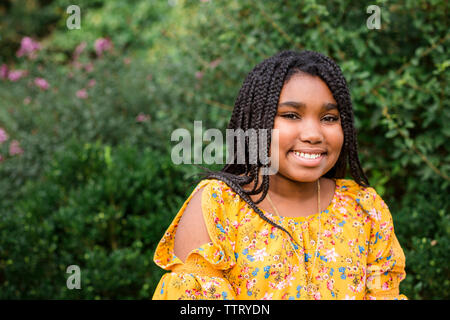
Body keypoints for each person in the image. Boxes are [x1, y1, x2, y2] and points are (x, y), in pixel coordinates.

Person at [152, 50, 407, 300]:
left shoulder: (364, 208)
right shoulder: (218, 207)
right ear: (255, 122)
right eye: (291, 115)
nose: (313, 134)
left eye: (329, 118)